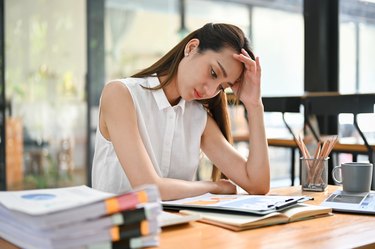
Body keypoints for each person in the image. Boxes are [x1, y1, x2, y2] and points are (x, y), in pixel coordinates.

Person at [92, 23, 270, 200]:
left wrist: (254, 105)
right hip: (118, 226)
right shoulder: (121, 94)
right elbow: (148, 189)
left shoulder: (198, 117)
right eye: (213, 73)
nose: (210, 91)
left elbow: (257, 184)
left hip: (176, 226)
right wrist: (212, 186)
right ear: (192, 48)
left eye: (222, 87)